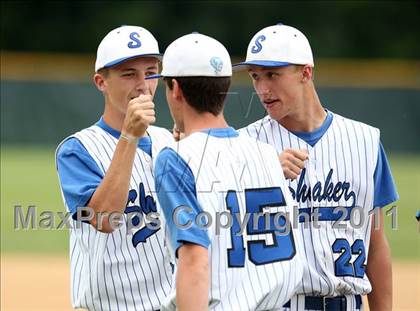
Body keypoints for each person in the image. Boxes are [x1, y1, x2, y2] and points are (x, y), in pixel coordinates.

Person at [235, 23, 399, 310]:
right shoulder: (244, 145)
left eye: (272, 75)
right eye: (255, 77)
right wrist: (263, 172)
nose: (262, 89)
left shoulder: (364, 141)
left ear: (306, 72)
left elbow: (375, 243)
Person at [150, 32, 304, 311]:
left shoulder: (175, 159)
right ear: (225, 87)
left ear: (175, 89)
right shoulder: (266, 154)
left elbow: (195, 259)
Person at [56, 25, 173, 311]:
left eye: (150, 71)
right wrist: (130, 135)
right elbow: (104, 218)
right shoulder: (77, 149)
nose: (143, 85)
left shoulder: (168, 139)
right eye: (128, 74)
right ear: (101, 82)